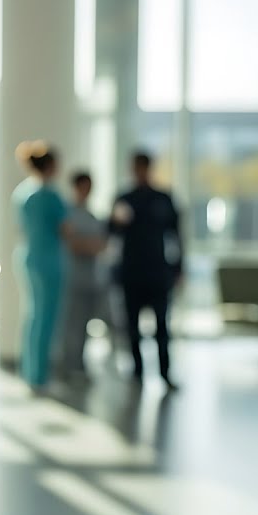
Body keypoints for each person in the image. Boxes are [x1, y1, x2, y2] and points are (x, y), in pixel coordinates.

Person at [111, 150, 182, 389]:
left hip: (158, 272)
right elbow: (111, 233)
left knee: (162, 325)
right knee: (132, 326)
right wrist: (115, 222)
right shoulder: (124, 199)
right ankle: (137, 371)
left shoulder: (164, 198)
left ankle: (164, 372)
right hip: (131, 273)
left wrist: (180, 268)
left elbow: (177, 235)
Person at [12, 140, 70, 390]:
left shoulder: (22, 193)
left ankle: (30, 370)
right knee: (46, 318)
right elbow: (66, 231)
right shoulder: (50, 195)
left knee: (33, 315)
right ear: (51, 165)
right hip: (48, 261)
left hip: (28, 257)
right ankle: (40, 376)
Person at [60, 171, 109, 378]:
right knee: (72, 325)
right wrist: (89, 246)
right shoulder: (67, 214)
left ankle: (79, 365)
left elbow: (102, 244)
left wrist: (89, 245)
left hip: (91, 280)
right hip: (73, 278)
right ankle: (68, 367)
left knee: (84, 326)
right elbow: (72, 244)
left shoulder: (91, 216)